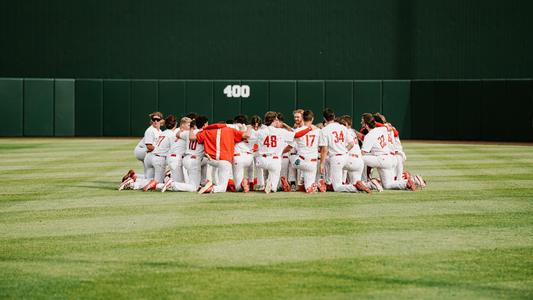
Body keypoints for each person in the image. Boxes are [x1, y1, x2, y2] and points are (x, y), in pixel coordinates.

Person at [248, 111, 312, 193]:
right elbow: (297, 135)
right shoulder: (279, 131)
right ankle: (271, 185)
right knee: (273, 187)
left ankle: (265, 183)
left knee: (265, 171)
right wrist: (309, 128)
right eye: (276, 119)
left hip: (261, 160)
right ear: (274, 120)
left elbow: (248, 138)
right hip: (274, 160)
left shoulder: (261, 131)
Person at [360, 113, 424, 190]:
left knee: (360, 158)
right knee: (388, 185)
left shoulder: (369, 135)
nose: (361, 123)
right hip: (390, 159)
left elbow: (363, 153)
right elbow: (388, 127)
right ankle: (412, 181)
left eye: (362, 121)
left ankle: (365, 182)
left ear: (366, 124)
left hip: (382, 159)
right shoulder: (382, 129)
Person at [319, 108, 370, 193]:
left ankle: (355, 187)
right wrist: (344, 151)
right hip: (347, 156)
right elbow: (352, 144)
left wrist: (321, 164)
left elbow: (324, 149)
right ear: (334, 116)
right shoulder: (342, 127)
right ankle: (364, 185)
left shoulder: (324, 130)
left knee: (337, 187)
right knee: (352, 179)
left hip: (336, 158)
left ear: (324, 118)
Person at [193, 117, 248, 194]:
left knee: (207, 165)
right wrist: (244, 129)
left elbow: (194, 137)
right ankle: (212, 188)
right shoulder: (230, 130)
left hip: (210, 160)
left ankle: (205, 183)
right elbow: (246, 135)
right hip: (224, 161)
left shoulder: (207, 131)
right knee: (222, 187)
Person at [291, 110, 322, 193]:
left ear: (302, 119)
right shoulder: (318, 131)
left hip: (301, 161)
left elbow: (290, 145)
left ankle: (293, 183)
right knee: (309, 188)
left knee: (290, 160)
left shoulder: (298, 130)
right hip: (313, 162)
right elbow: (322, 147)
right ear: (312, 119)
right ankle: (316, 185)